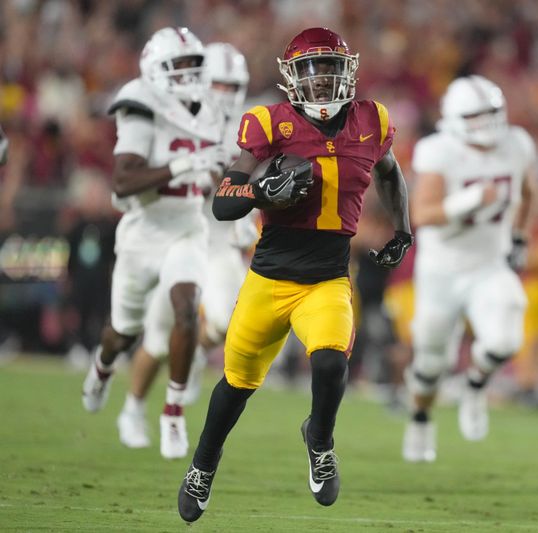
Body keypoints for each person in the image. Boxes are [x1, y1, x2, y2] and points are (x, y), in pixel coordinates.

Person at [177, 27, 412, 522]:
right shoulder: (268, 123)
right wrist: (265, 192)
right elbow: (223, 203)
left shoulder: (372, 120)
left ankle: (320, 442)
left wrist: (403, 228)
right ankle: (203, 466)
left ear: (346, 71)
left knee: (330, 364)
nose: (322, 79)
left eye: (330, 68)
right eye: (311, 69)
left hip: (327, 277)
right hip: (269, 279)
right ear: (292, 77)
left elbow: (389, 172)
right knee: (235, 386)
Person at [80, 27, 227, 460]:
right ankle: (103, 367)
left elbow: (216, 177)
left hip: (186, 228)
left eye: (193, 66)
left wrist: (219, 172)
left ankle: (173, 412)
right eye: (178, 66)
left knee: (186, 308)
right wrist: (183, 164)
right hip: (144, 233)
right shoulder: (141, 101)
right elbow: (124, 181)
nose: (188, 75)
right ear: (155, 69)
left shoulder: (211, 109)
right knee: (122, 333)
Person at [115, 42, 256, 450]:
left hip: (219, 243)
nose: (226, 95)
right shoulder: (172, 118)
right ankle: (133, 406)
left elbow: (248, 185)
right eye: (220, 85)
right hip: (180, 235)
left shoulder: (250, 127)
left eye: (235, 86)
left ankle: (192, 358)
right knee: (159, 338)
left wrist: (249, 219)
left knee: (228, 321)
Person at [402, 75, 535, 463]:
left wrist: (521, 238)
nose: (487, 123)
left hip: (488, 264)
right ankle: (420, 417)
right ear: (456, 118)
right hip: (441, 271)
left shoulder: (517, 144)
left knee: (505, 338)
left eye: (492, 113)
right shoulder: (438, 150)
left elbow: (530, 194)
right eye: (476, 116)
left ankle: (474, 385)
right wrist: (470, 200)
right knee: (430, 363)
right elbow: (422, 214)